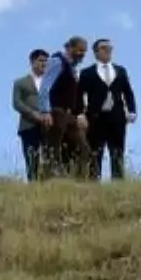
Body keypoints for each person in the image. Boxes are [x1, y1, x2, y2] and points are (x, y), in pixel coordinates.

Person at [79, 38, 138, 181]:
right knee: (95, 152)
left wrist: (132, 110)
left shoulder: (120, 70)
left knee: (117, 151)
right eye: (104, 48)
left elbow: (128, 92)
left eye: (110, 48)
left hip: (117, 117)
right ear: (96, 52)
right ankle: (93, 183)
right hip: (95, 118)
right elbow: (79, 94)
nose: (108, 50)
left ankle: (118, 183)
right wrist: (80, 114)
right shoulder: (87, 72)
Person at [36, 36, 89, 177]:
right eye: (80, 50)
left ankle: (78, 180)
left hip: (68, 114)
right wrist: (45, 111)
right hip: (55, 111)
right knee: (53, 149)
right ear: (70, 48)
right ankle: (48, 181)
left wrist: (78, 114)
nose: (82, 54)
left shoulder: (72, 68)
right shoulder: (57, 61)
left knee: (84, 147)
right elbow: (45, 87)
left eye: (84, 51)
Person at [12, 49, 48, 182]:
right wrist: (33, 113)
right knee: (32, 159)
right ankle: (33, 185)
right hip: (28, 125)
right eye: (40, 61)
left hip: (48, 125)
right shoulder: (20, 82)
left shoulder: (51, 82)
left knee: (49, 159)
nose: (44, 64)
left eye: (45, 61)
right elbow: (16, 103)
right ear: (32, 62)